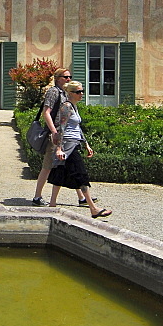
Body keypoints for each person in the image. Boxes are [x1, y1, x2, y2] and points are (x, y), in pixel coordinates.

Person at [48, 80, 111, 218]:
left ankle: (52, 205)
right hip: (68, 145)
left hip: (74, 143)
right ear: (70, 93)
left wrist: (86, 143)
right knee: (81, 175)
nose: (81, 94)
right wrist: (59, 148)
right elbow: (61, 128)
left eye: (82, 91)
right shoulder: (66, 106)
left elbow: (77, 128)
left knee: (61, 172)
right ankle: (93, 208)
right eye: (78, 92)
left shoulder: (74, 107)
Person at [31, 68, 89, 207]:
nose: (68, 79)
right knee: (48, 166)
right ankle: (37, 196)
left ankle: (82, 197)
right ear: (57, 78)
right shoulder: (53, 92)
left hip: (65, 136)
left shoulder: (65, 93)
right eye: (65, 77)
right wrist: (53, 132)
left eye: (70, 77)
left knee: (70, 165)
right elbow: (46, 112)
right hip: (57, 134)